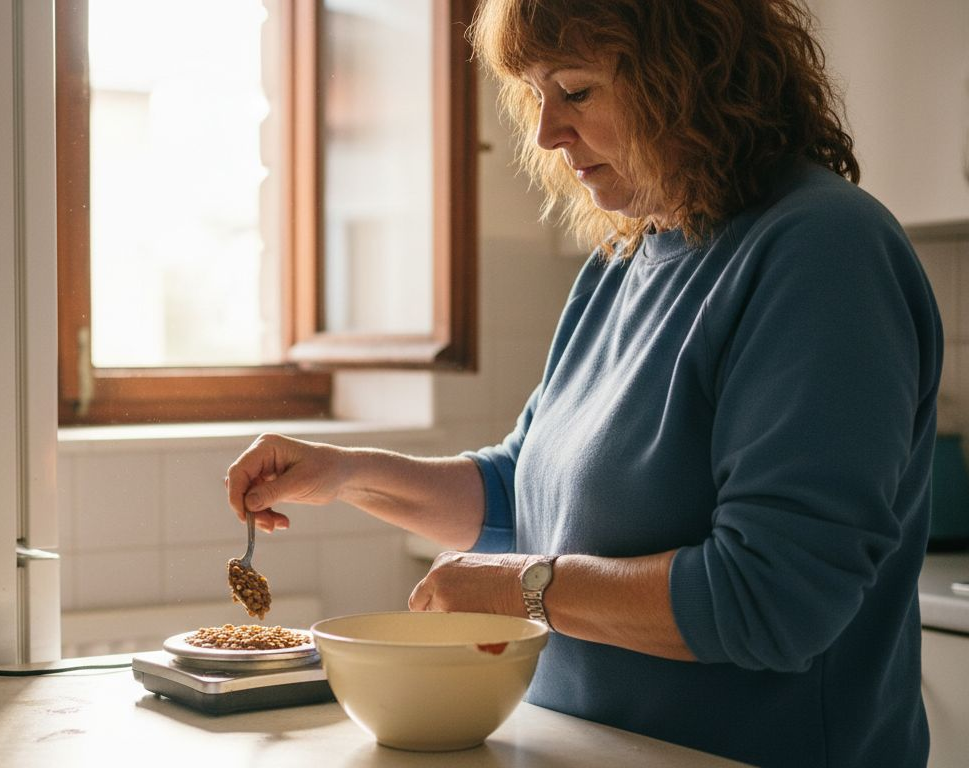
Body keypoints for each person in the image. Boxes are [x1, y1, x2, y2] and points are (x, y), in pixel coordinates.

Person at [223, 1, 942, 766]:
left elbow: (772, 600)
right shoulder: (622, 262)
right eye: (536, 94)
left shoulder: (823, 252)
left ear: (692, 75)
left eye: (577, 90)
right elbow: (522, 495)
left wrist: (520, 589)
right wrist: (345, 474)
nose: (545, 133)